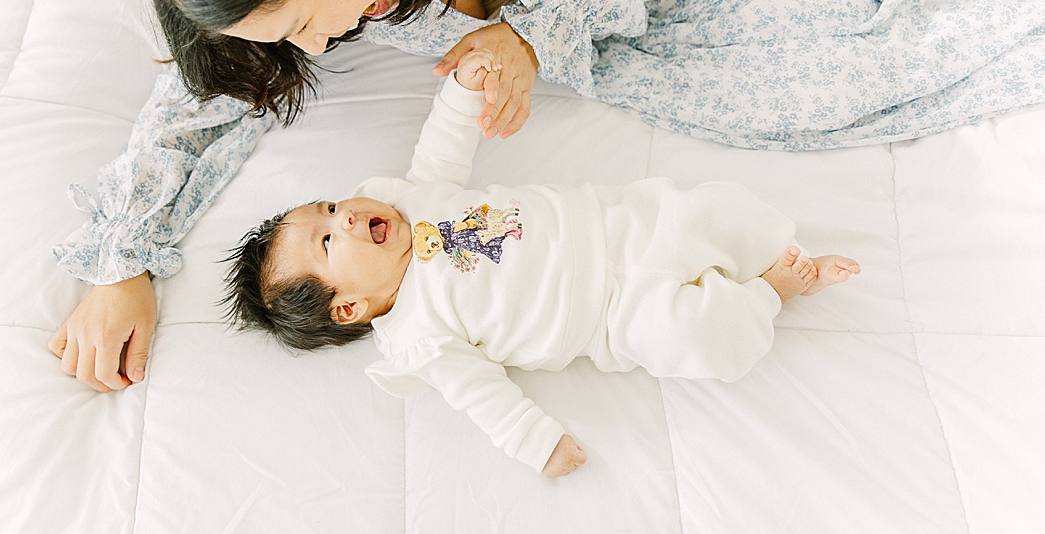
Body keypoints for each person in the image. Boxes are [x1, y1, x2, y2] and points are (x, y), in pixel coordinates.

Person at [49, 0, 1042, 390]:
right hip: (662, 37)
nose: (316, 44)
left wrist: (532, 35)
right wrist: (120, 261)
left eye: (307, 17)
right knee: (851, 70)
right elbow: (214, 86)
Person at [220, 50, 861, 476]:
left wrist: (461, 94)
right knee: (693, 337)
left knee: (711, 211)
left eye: (330, 207)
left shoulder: (410, 201)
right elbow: (485, 399)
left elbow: (442, 152)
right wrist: (539, 445)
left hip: (615, 227)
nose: (346, 218)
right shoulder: (420, 338)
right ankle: (770, 293)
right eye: (329, 243)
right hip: (609, 318)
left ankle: (775, 255)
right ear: (349, 306)